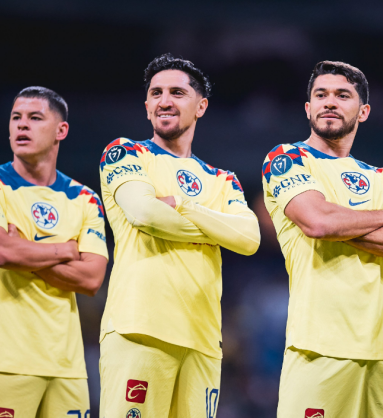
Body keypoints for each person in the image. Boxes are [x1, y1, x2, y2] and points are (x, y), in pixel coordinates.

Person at [98, 53, 260, 418]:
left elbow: (249, 238)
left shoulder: (223, 179)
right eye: (156, 93)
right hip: (139, 329)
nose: (164, 101)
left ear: (201, 106)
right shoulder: (126, 153)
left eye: (176, 92)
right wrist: (215, 231)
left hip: (203, 340)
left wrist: (183, 206)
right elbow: (145, 212)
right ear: (146, 106)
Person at [262, 61, 383, 418]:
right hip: (318, 347)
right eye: (320, 95)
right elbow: (318, 222)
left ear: (363, 111)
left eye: (342, 95)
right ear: (308, 108)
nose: (329, 102)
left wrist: (342, 224)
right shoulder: (288, 159)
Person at [0, 87, 109, 417]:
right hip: (4, 364)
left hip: (68, 369)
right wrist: (65, 249)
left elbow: (91, 278)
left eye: (34, 118)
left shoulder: (84, 198)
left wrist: (25, 250)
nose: (21, 125)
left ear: (61, 131)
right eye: (16, 118)